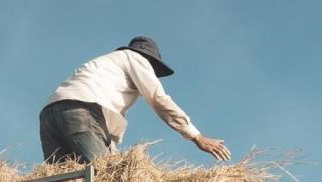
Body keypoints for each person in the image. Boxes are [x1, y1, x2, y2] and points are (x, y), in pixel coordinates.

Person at [40, 36, 231, 164]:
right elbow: (159, 99)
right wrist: (196, 136)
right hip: (81, 110)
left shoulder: (107, 73)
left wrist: (113, 155)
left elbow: (103, 126)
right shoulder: (136, 59)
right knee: (106, 181)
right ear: (151, 62)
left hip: (49, 115)